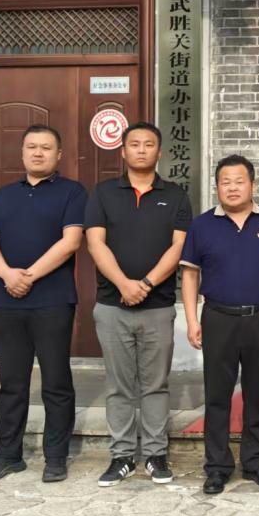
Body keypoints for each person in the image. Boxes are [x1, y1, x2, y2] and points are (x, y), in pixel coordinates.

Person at [0, 125, 87, 483]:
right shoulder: (5, 195)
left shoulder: (72, 192)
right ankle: (8, 455)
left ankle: (56, 457)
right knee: (11, 382)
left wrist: (28, 276)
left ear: (59, 154)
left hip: (52, 300)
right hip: (7, 301)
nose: (38, 153)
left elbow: (71, 242)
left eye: (46, 147)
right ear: (22, 152)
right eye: (31, 147)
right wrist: (8, 275)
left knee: (56, 380)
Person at [180, 155, 259, 495]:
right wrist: (191, 319)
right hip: (218, 318)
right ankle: (217, 467)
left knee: (257, 393)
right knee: (217, 395)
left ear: (253, 185)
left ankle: (256, 462)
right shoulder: (202, 225)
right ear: (217, 187)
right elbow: (190, 275)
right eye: (225, 182)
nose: (232, 188)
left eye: (239, 181)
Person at [85, 122, 191, 487]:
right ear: (123, 151)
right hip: (112, 306)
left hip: (157, 306)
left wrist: (144, 284)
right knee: (118, 385)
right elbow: (95, 243)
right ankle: (122, 456)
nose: (141, 149)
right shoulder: (103, 193)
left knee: (155, 384)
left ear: (159, 152)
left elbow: (178, 247)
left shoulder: (175, 195)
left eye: (148, 144)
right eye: (134, 144)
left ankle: (156, 454)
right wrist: (123, 284)